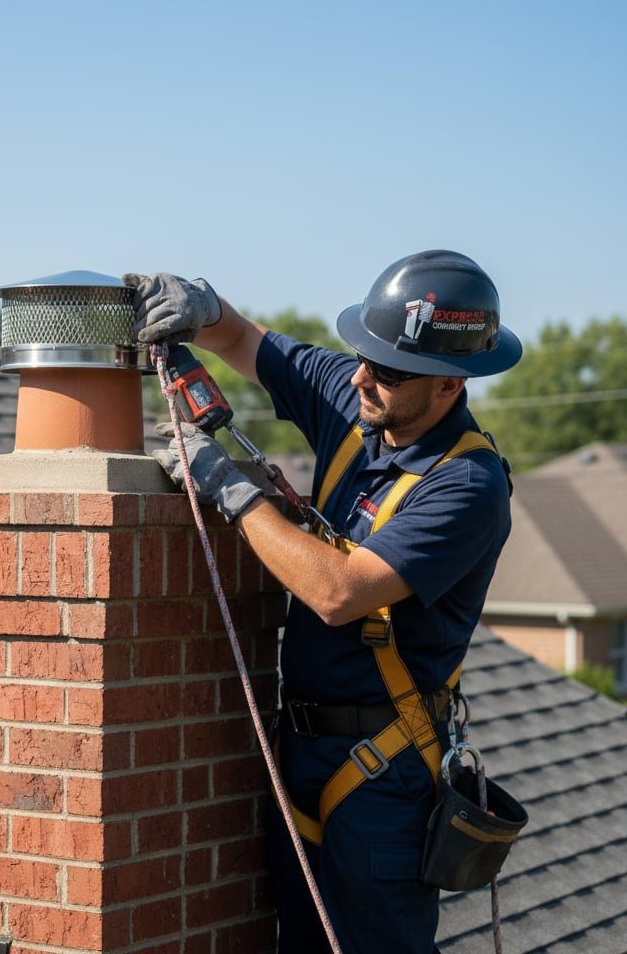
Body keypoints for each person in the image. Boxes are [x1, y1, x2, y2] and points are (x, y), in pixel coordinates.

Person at [124, 250, 522, 954]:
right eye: (362, 355)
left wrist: (231, 489)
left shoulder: (466, 488)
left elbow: (338, 594)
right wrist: (205, 308)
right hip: (301, 753)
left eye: (388, 370)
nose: (362, 376)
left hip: (383, 775)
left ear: (450, 384)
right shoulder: (362, 393)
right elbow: (247, 344)